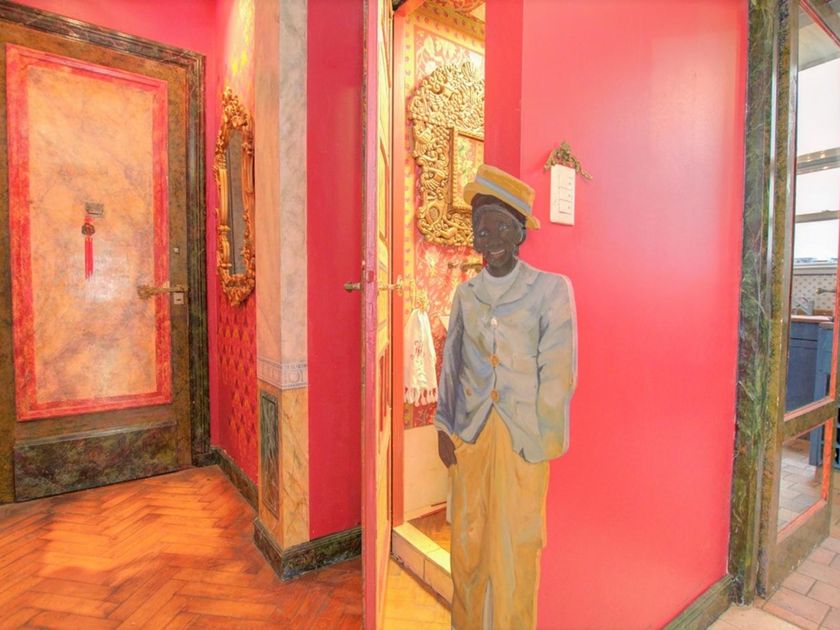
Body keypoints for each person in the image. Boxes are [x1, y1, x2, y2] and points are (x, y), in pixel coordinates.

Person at [435, 164, 577, 630]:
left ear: (519, 232)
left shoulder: (550, 290)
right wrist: (444, 426)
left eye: (500, 226)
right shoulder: (466, 294)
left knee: (518, 547)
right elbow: (452, 362)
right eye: (481, 228)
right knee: (467, 547)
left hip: (523, 442)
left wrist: (541, 442)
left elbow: (558, 371)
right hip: (471, 436)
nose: (489, 237)